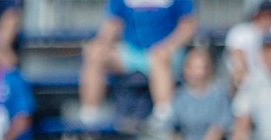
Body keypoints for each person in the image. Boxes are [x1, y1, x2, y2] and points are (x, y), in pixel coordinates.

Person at [78, 0, 197, 129]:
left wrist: (170, 46)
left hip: (167, 51)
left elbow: (188, 25)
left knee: (158, 57)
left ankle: (164, 113)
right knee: (95, 54)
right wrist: (101, 43)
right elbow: (113, 23)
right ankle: (90, 112)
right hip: (132, 51)